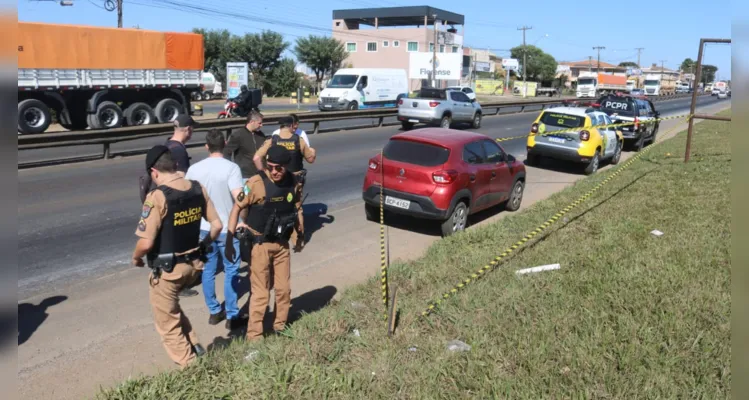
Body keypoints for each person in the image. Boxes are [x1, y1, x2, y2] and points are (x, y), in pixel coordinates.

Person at [131, 145, 222, 368]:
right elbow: (217, 225)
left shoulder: (157, 196)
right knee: (171, 309)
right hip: (194, 265)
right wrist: (203, 245)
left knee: (166, 323)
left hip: (169, 271)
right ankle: (194, 345)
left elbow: (146, 242)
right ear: (175, 165)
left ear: (154, 172)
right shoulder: (197, 188)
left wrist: (136, 258)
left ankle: (191, 370)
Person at [226, 145, 305, 340]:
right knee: (261, 294)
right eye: (270, 167)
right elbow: (237, 209)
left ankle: (280, 326)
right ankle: (254, 335)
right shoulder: (255, 183)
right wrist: (230, 240)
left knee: (283, 289)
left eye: (279, 168)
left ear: (286, 166)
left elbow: (297, 209)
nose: (274, 172)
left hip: (281, 245)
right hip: (260, 245)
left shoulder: (294, 182)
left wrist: (299, 235)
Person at [185, 129, 246, 330]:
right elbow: (239, 197)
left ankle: (213, 311)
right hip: (227, 228)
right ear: (225, 143)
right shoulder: (231, 168)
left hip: (204, 229)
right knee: (231, 269)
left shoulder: (194, 169)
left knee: (208, 270)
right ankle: (232, 314)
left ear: (206, 146)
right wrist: (248, 194)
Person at [224, 110, 267, 182]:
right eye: (259, 123)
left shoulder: (261, 135)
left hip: (260, 175)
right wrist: (231, 170)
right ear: (251, 122)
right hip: (245, 177)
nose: (261, 125)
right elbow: (226, 153)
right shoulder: (238, 135)